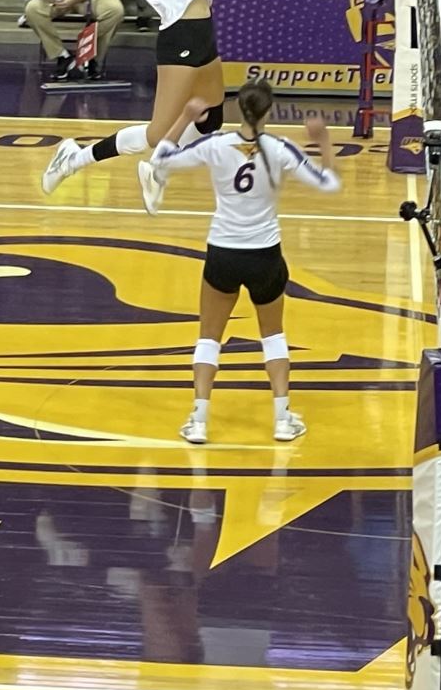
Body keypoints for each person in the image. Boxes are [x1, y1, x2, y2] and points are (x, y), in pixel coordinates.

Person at [41, 0, 293, 212]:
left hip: (204, 34)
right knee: (157, 132)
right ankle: (76, 158)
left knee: (210, 115)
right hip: (180, 36)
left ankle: (158, 167)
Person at [145, 84, 341, 443]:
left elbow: (160, 160)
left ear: (239, 109)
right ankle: (282, 419)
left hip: (223, 252)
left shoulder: (216, 145)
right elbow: (328, 183)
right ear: (269, 111)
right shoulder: (280, 150)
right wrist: (323, 139)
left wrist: (186, 118)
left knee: (209, 338)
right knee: (274, 336)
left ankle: (199, 420)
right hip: (265, 255)